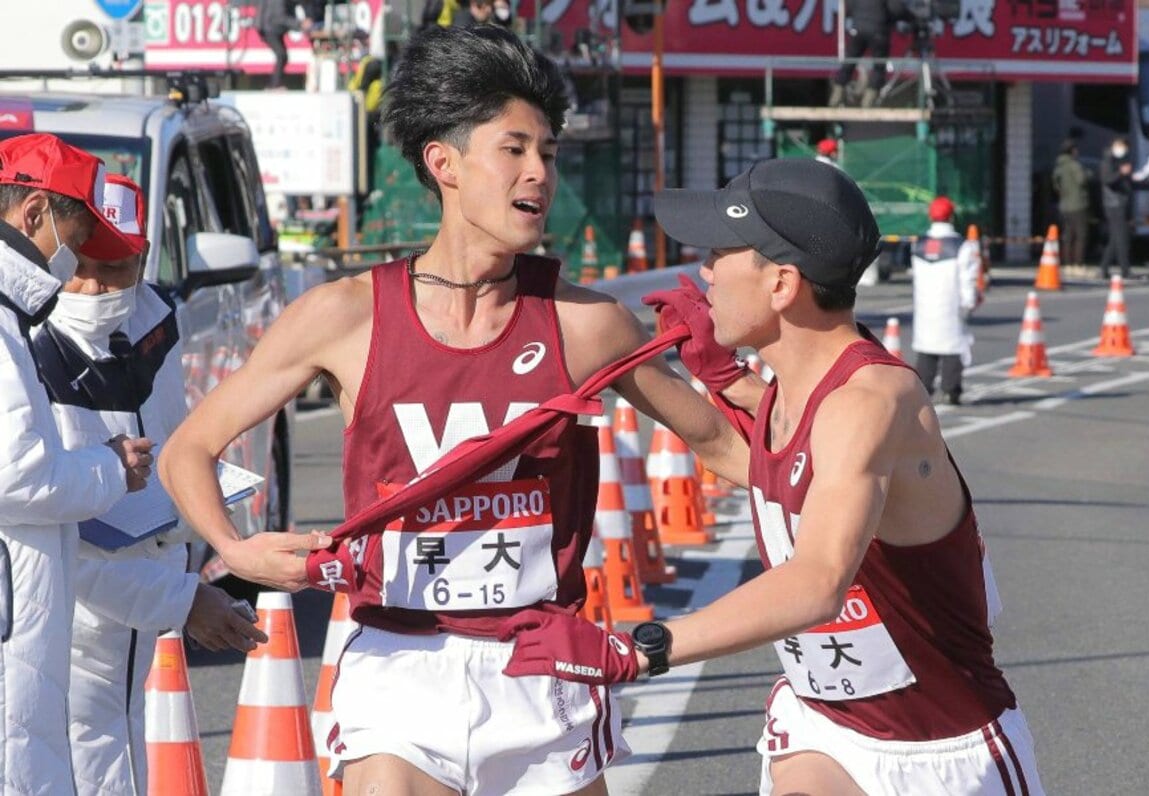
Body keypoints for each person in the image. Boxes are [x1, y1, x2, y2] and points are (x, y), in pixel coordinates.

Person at [159, 25, 752, 796]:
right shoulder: (345, 316)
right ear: (444, 163)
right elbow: (186, 451)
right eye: (514, 149)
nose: (539, 172)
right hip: (400, 663)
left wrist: (850, 476)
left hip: (544, 665)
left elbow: (727, 451)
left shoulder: (587, 322)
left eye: (548, 152)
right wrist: (234, 551)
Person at [501, 159, 1045, 796]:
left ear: (782, 283)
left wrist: (642, 647)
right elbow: (730, 452)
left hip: (942, 751)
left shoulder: (871, 401)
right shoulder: (792, 397)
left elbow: (817, 584)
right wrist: (695, 371)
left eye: (720, 253)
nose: (703, 272)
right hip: (823, 729)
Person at [27, 173, 268, 796]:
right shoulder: (21, 346)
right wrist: (181, 599)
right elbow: (50, 538)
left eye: (121, 268)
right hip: (68, 617)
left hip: (134, 598)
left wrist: (192, 534)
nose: (101, 288)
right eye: (86, 265)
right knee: (78, 753)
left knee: (115, 744)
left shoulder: (154, 317)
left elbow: (173, 441)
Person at [0, 133, 153, 794]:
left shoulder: (14, 317)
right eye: (76, 236)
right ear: (33, 213)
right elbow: (17, 475)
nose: (75, 265)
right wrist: (111, 467)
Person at [910, 195, 979, 406]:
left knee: (926, 348)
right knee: (952, 348)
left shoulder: (918, 244)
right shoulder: (962, 246)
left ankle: (922, 391)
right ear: (951, 217)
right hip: (950, 304)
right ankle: (951, 390)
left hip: (925, 306)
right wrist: (969, 301)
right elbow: (968, 278)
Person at [830, 0, 898, 108]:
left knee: (849, 62)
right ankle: (868, 101)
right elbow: (896, 9)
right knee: (879, 66)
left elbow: (849, 6)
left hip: (858, 27)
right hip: (878, 29)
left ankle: (836, 96)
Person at [1098, 136, 1133, 280]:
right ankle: (1125, 269)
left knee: (1115, 238)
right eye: (1120, 145)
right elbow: (1107, 179)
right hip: (1113, 203)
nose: (1122, 149)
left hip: (1120, 202)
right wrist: (1121, 173)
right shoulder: (1107, 161)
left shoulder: (1119, 161)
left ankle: (1104, 268)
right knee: (1121, 237)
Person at [1052, 139, 1090, 269]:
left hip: (1064, 205)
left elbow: (1056, 185)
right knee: (1080, 235)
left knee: (1067, 235)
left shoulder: (1058, 167)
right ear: (1072, 151)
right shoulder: (1075, 165)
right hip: (1078, 204)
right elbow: (1082, 181)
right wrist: (1088, 174)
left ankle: (1066, 262)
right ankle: (1077, 262)